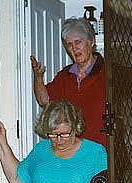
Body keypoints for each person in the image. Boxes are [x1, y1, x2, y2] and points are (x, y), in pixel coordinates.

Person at [31, 17, 106, 147]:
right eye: (69, 44)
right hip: (73, 151)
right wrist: (38, 77)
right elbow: (44, 100)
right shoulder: (65, 75)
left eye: (78, 42)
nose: (74, 48)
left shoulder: (107, 72)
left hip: (102, 150)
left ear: (92, 42)